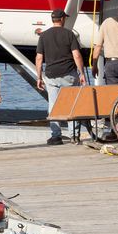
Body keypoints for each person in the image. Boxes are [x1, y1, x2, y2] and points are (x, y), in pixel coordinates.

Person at [33, 9, 88, 146]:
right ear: (62, 19)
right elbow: (76, 55)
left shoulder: (44, 36)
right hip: (69, 74)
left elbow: (39, 58)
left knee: (53, 105)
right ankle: (74, 136)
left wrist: (39, 77)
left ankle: (56, 136)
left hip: (51, 76)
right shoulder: (69, 34)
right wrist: (81, 73)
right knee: (71, 105)